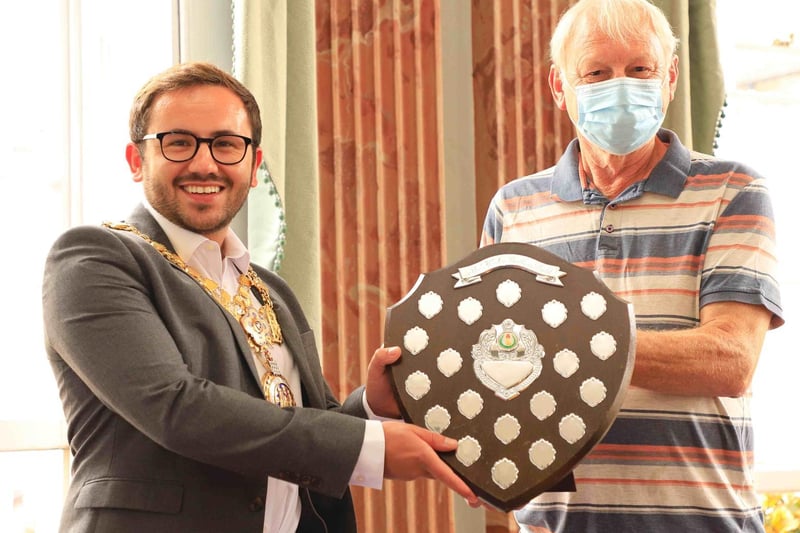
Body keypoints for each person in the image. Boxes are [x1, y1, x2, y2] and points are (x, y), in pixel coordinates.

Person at [42, 61, 477, 533]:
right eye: (179, 142)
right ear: (136, 160)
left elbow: (305, 421)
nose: (204, 163)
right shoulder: (93, 258)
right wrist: (367, 446)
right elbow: (176, 408)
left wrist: (369, 406)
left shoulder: (270, 289)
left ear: (253, 166)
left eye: (226, 145)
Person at [481, 0, 784, 531]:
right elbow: (495, 365)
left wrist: (565, 342)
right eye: (596, 73)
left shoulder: (733, 192)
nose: (620, 87)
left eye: (639, 70)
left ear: (669, 79)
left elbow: (729, 361)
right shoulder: (514, 209)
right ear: (560, 88)